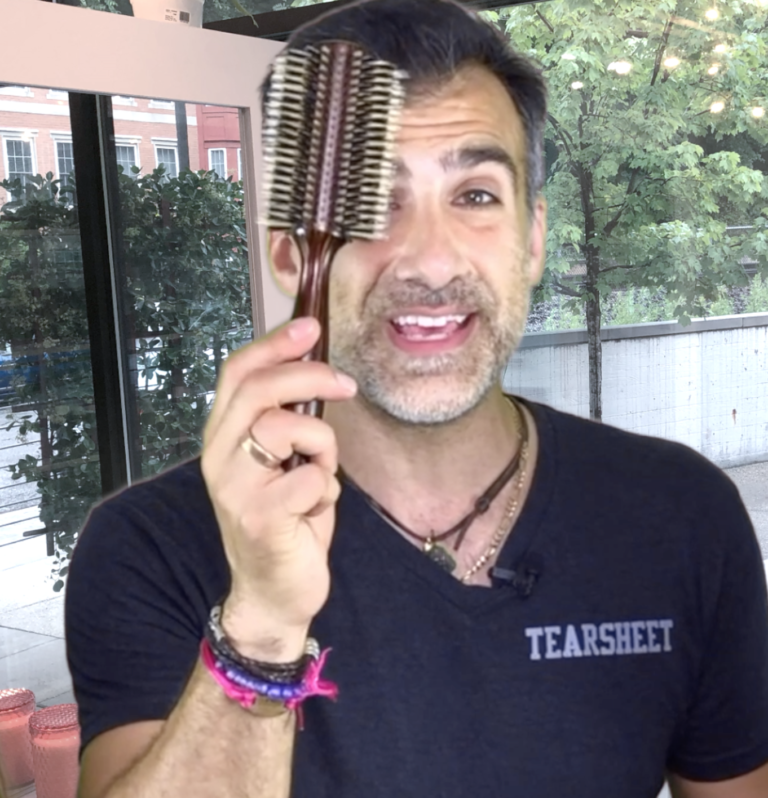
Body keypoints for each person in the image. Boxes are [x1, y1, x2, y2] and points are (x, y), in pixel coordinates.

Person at [65, 0, 768, 796]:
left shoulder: (682, 517)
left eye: (475, 196)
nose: (430, 261)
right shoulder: (150, 549)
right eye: (373, 202)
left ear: (533, 240)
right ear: (292, 255)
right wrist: (260, 623)